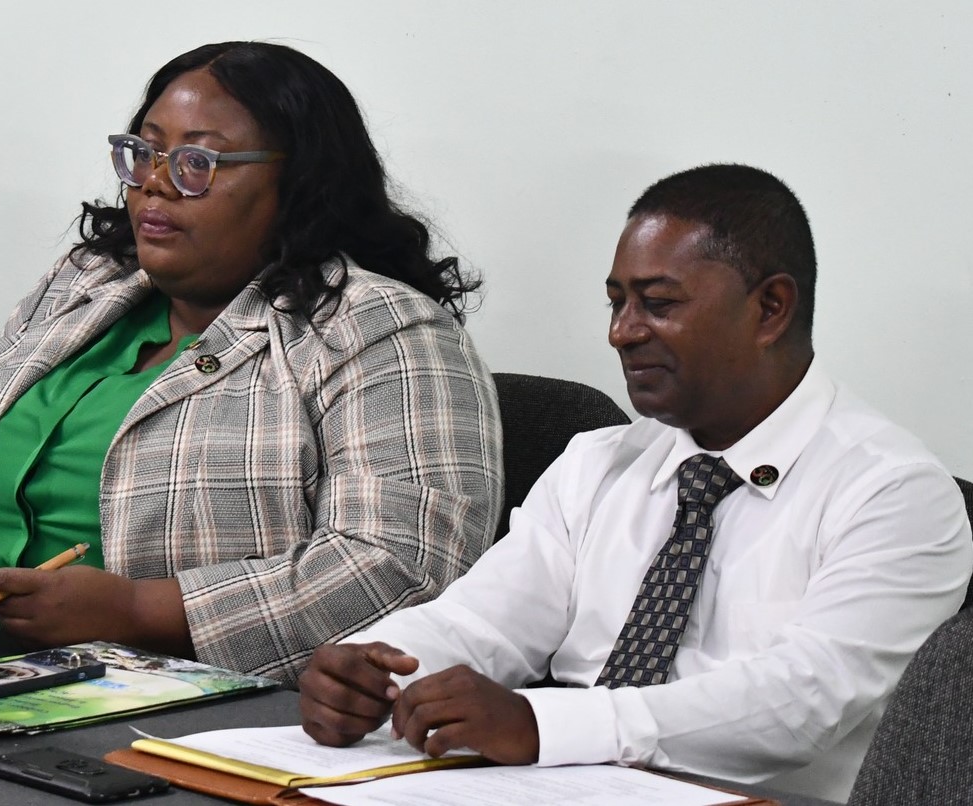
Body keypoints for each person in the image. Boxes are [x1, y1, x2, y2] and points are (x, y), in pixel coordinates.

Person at [0, 41, 502, 685]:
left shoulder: (381, 331)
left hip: (176, 697)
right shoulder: (85, 284)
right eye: (144, 154)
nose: (154, 185)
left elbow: (401, 569)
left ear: (300, 185)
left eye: (197, 164)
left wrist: (142, 611)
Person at [297, 164, 973, 800]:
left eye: (657, 303)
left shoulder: (893, 493)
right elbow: (482, 622)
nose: (622, 333)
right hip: (549, 789)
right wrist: (378, 669)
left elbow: (801, 702)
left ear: (770, 308)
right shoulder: (596, 462)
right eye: (615, 303)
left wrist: (547, 724)